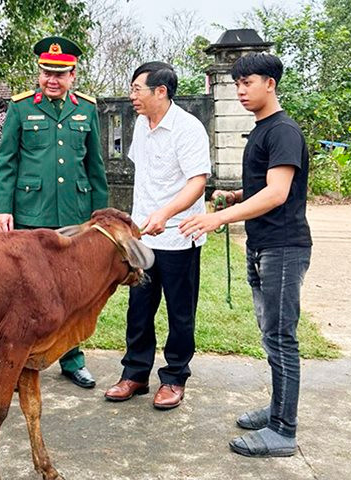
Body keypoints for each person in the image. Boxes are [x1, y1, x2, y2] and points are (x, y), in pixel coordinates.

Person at [179, 52, 312, 457]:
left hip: (283, 248)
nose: (239, 90)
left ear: (270, 84)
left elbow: (278, 193)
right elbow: (263, 187)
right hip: (263, 246)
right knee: (270, 337)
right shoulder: (261, 129)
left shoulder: (283, 131)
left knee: (281, 338)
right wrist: (236, 195)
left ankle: (283, 431)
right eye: (236, 84)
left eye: (247, 82)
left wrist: (218, 220)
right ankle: (277, 410)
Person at [0, 36, 108, 389]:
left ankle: (72, 359)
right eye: (46, 73)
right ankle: (21, 358)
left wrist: (99, 217)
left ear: (73, 74)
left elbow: (95, 167)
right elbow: (7, 162)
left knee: (72, 291)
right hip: (30, 213)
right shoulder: (21, 108)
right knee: (26, 291)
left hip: (74, 215)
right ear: (39, 73)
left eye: (60, 74)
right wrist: (2, 208)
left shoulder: (86, 109)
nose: (52, 80)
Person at [102, 62, 210, 410]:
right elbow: (146, 177)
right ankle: (135, 373)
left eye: (137, 89)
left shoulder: (188, 129)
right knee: (139, 308)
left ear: (160, 91)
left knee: (180, 313)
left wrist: (166, 214)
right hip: (143, 238)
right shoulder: (140, 125)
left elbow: (198, 182)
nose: (132, 96)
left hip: (180, 236)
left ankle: (175, 377)